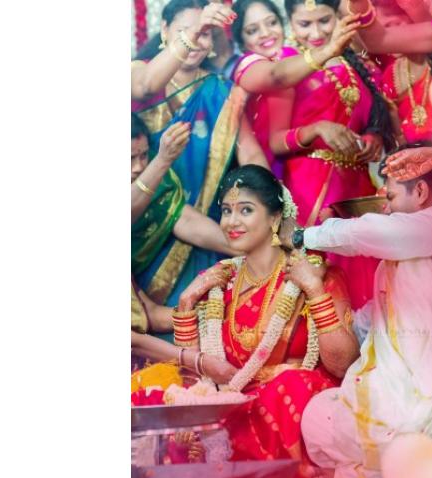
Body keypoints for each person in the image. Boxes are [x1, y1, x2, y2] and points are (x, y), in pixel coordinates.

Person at [284, 158, 432, 478]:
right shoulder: (412, 252)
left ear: (420, 191)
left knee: (375, 443)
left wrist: (304, 236)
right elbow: (379, 316)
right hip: (414, 396)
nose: (385, 208)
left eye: (390, 197)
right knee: (319, 416)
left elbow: (377, 233)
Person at [173, 165, 360, 475]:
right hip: (230, 407)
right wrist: (186, 301)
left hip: (292, 411)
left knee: (291, 385)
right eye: (226, 211)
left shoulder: (314, 273)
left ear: (274, 218)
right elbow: (194, 377)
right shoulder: (218, 282)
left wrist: (314, 290)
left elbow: (343, 365)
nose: (231, 221)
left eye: (245, 210)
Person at [131, 0, 268, 308]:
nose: (196, 41)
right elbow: (145, 86)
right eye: (186, 31)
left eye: (205, 34)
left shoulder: (221, 90)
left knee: (207, 313)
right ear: (164, 30)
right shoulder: (140, 72)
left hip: (205, 229)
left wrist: (271, 204)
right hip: (145, 227)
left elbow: (251, 154)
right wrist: (196, 28)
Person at [264, 0, 394, 310]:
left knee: (365, 274)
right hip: (310, 189)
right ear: (290, 23)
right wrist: (316, 129)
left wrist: (373, 138)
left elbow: (374, 119)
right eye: (304, 24)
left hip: (356, 189)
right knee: (319, 276)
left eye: (324, 20)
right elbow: (275, 141)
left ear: (338, 16)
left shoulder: (357, 63)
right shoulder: (288, 64)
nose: (316, 32)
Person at [131, 113, 240, 343]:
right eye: (129, 159)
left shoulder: (158, 182)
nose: (139, 167)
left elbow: (185, 219)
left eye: (143, 156)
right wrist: (161, 160)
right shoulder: (155, 169)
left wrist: (248, 247)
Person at [230, 0, 362, 177]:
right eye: (252, 30)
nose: (266, 33)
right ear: (240, 40)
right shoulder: (247, 65)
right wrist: (328, 49)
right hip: (268, 170)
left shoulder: (295, 60)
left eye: (272, 23)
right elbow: (277, 76)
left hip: (311, 168)